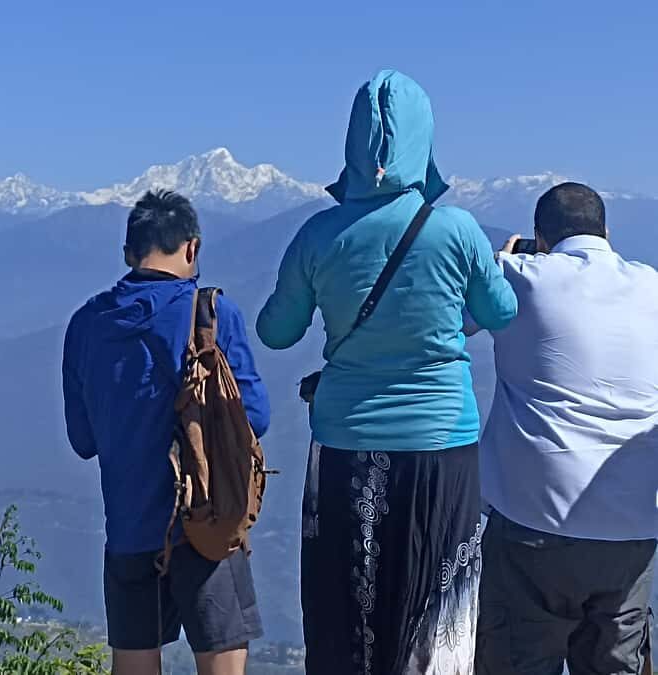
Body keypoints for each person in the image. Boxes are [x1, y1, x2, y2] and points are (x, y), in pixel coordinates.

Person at [256, 69, 517, 674]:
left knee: (346, 611)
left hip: (346, 445)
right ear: (424, 142)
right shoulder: (456, 230)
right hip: (441, 450)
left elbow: (277, 331)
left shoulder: (318, 235)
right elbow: (500, 312)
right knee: (435, 612)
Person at [62, 189, 270, 675]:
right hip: (207, 523)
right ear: (192, 248)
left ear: (128, 254)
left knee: (134, 665)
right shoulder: (211, 316)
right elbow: (253, 417)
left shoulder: (86, 324)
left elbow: (82, 440)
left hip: (130, 528)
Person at [472, 182, 658, 675]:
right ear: (607, 233)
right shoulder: (653, 287)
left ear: (541, 236)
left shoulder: (519, 276)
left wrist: (497, 261)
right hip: (634, 526)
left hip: (535, 518)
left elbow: (460, 315)